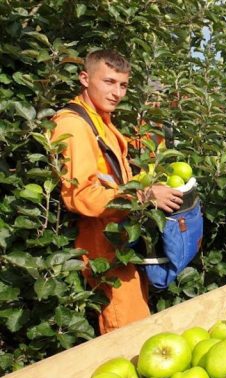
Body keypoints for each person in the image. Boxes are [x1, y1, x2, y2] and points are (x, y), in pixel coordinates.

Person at [51, 49, 182, 333]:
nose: (117, 93)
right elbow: (81, 196)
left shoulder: (103, 122)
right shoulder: (74, 125)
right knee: (128, 333)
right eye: (109, 82)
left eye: (123, 85)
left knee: (138, 323)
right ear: (84, 78)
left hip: (120, 239)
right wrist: (144, 195)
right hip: (102, 245)